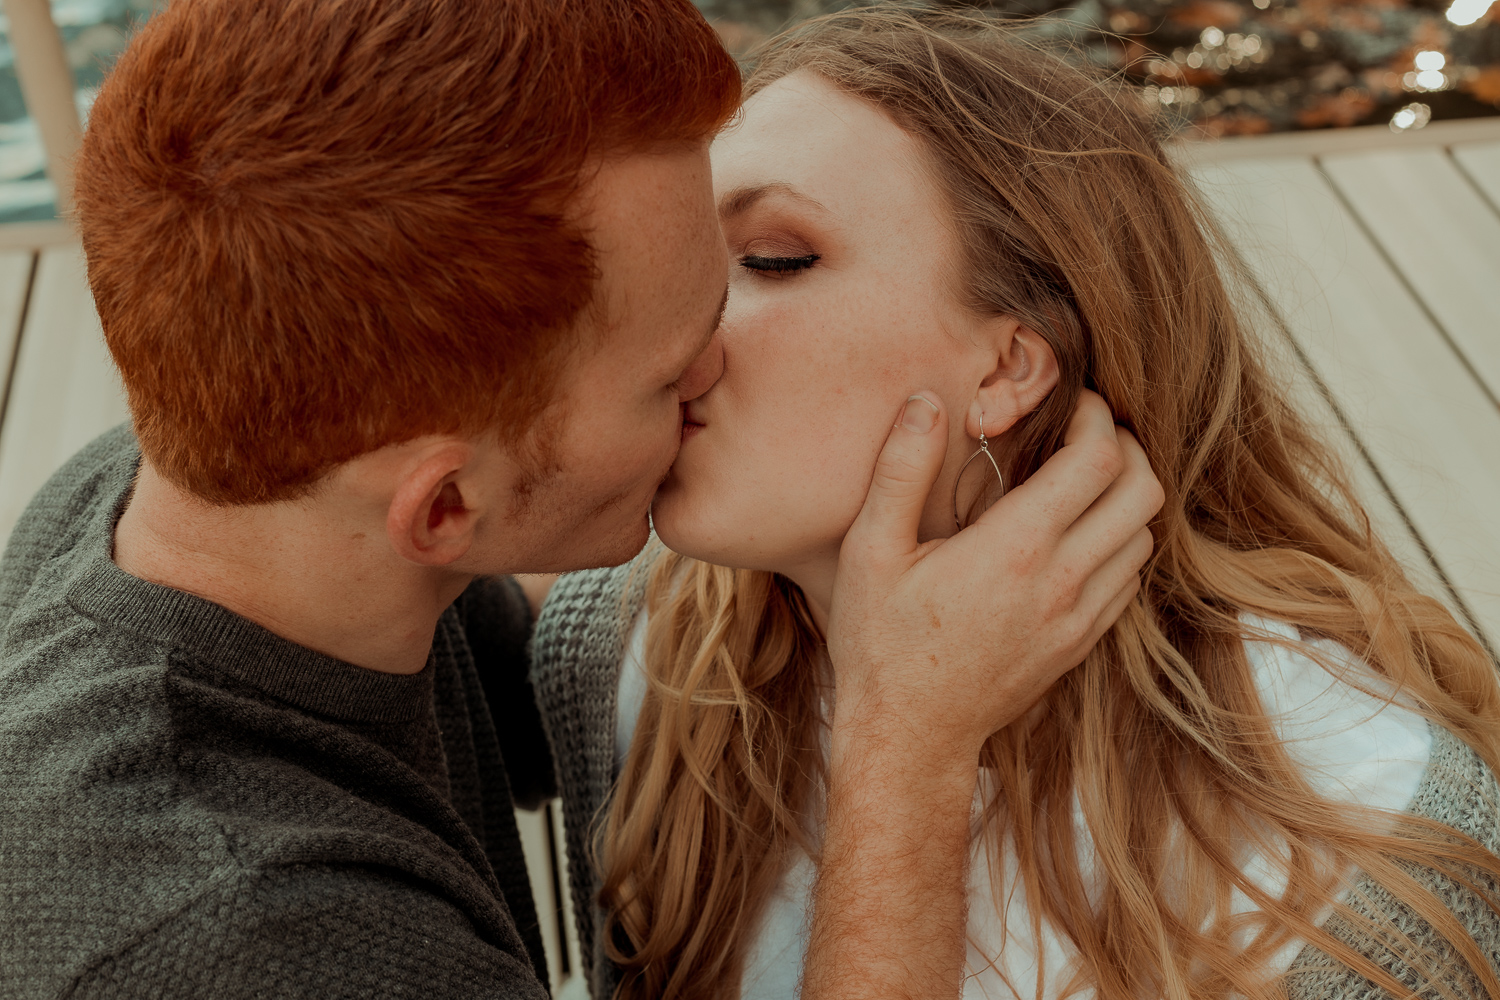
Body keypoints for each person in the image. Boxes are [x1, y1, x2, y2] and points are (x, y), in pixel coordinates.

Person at [0, 0, 1162, 997]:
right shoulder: (262, 936)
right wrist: (906, 741)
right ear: (445, 506)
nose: (718, 364)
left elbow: (524, 656)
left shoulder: (199, 504)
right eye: (669, 374)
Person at [529, 9, 1500, 1000]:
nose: (677, 328)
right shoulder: (632, 653)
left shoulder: (1353, 843)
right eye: (684, 255)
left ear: (1007, 366)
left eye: (772, 259)